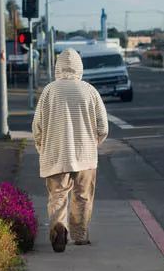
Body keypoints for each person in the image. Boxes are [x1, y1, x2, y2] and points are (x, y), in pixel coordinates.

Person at [32, 48, 108, 252]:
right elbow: (103, 127)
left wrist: (43, 148)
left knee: (57, 196)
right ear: (79, 67)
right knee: (82, 196)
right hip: (85, 156)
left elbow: (37, 127)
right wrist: (92, 145)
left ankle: (59, 227)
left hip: (56, 154)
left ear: (58, 67)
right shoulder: (90, 91)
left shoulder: (49, 91)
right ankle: (80, 235)